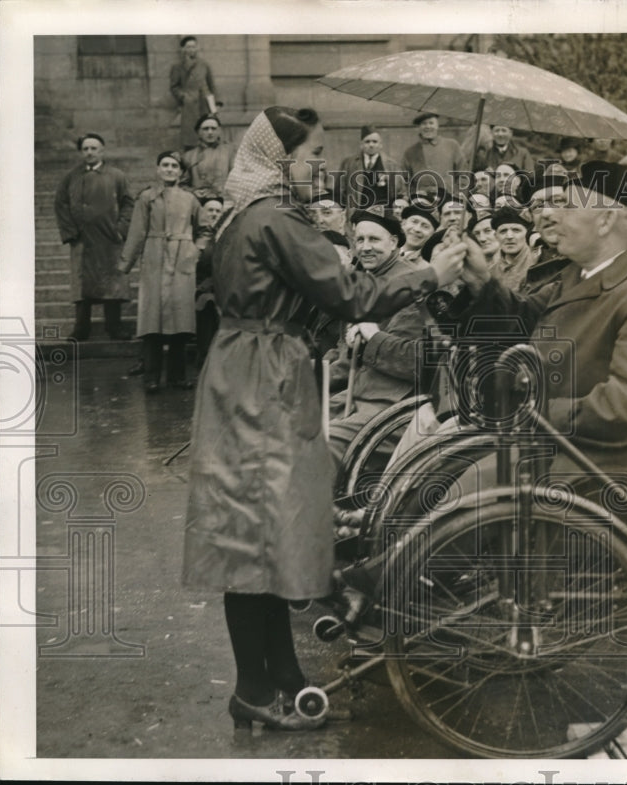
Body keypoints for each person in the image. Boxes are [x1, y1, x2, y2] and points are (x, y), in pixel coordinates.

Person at [182, 106, 463, 733]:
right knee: (265, 529)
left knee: (256, 531)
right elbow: (349, 293)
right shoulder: (276, 218)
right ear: (281, 162)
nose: (320, 167)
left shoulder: (240, 214)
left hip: (244, 369)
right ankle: (256, 687)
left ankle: (279, 675)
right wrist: (428, 272)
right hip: (268, 379)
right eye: (311, 156)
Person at [453, 160, 627, 475]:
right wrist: (481, 282)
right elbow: (523, 320)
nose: (551, 216)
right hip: (558, 444)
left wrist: (533, 408)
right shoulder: (581, 274)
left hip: (604, 466)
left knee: (460, 492)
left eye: (567, 207)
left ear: (605, 222)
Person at [323, 211, 431, 462]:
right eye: (359, 240)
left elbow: (413, 361)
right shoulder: (367, 283)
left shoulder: (408, 285)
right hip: (358, 390)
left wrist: (372, 340)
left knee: (321, 441)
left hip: (391, 402)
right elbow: (345, 355)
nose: (365, 247)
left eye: (374, 240)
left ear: (394, 243)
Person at [119, 152, 202, 392]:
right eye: (164, 165)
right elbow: (136, 232)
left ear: (180, 172)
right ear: (157, 169)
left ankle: (177, 376)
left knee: (180, 320)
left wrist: (195, 251)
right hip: (154, 258)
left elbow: (205, 229)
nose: (169, 169)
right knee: (151, 321)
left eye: (174, 166)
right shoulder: (146, 198)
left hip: (181, 260)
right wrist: (126, 263)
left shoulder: (190, 199)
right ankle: (151, 378)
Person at [54, 132, 134, 340]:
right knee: (82, 284)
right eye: (86, 149)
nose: (89, 153)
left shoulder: (116, 176)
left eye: (94, 148)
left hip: (109, 238)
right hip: (82, 240)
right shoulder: (71, 177)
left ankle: (114, 327)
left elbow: (128, 203)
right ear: (82, 152)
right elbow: (61, 205)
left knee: (112, 283)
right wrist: (70, 232)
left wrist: (121, 229)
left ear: (102, 151)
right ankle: (81, 329)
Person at [337, 124, 406, 214]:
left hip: (384, 213)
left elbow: (401, 191)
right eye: (367, 142)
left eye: (375, 142)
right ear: (361, 144)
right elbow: (340, 190)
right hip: (358, 213)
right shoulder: (349, 164)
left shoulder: (392, 165)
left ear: (380, 145)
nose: (371, 145)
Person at [401, 112, 467, 200]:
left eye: (431, 123)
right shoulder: (410, 152)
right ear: (419, 128)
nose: (428, 127)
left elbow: (463, 173)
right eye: (424, 124)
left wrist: (457, 194)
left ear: (437, 126)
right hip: (421, 200)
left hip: (448, 198)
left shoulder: (452, 145)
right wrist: (412, 196)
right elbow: (405, 179)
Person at [169, 36, 218, 150]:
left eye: (194, 46)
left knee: (208, 132)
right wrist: (184, 97)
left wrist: (215, 104)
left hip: (205, 104)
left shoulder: (204, 64)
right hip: (190, 106)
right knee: (191, 138)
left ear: (197, 48)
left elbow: (212, 85)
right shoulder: (177, 67)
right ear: (183, 49)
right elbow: (174, 87)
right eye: (188, 47)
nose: (191, 49)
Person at [193, 195, 224, 367]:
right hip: (195, 286)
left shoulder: (226, 235)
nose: (213, 214)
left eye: (218, 211)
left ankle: (210, 358)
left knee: (208, 302)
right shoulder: (194, 235)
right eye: (210, 210)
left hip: (218, 287)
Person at [180, 113, 237, 201]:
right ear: (198, 132)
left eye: (213, 129)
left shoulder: (230, 152)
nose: (210, 132)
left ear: (219, 131)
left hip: (224, 201)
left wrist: (217, 191)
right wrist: (193, 191)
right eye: (205, 129)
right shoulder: (189, 156)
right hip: (198, 202)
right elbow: (182, 184)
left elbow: (237, 179)